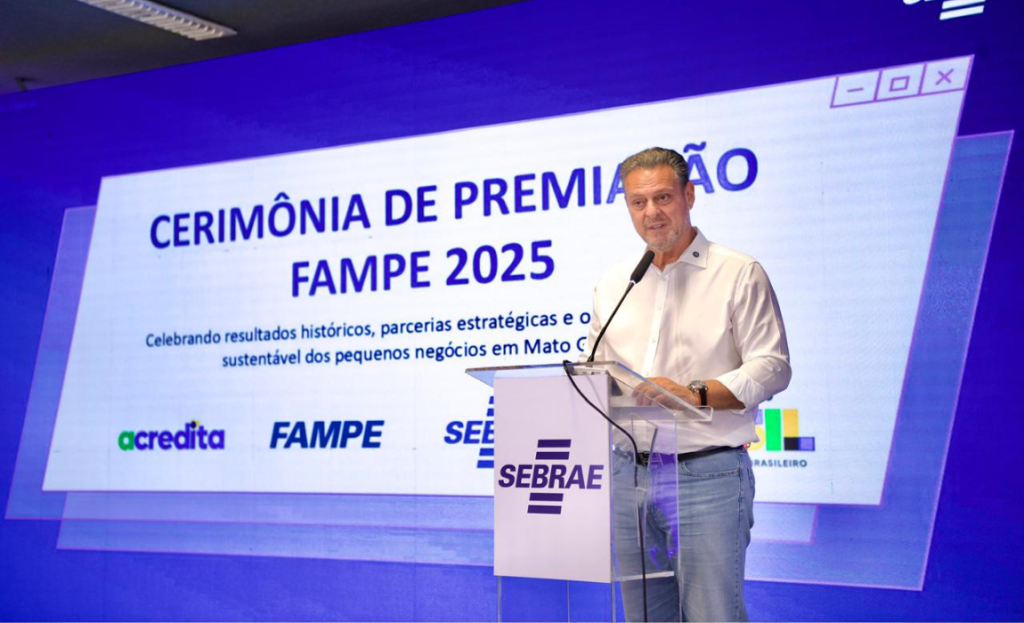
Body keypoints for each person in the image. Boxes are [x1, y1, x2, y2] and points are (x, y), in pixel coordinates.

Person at [583, 147, 791, 622]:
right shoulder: (614, 283)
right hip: (628, 474)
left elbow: (773, 365)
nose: (651, 213)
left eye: (662, 197)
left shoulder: (737, 272)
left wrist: (692, 393)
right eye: (638, 202)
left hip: (706, 473)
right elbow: (596, 372)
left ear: (689, 196)